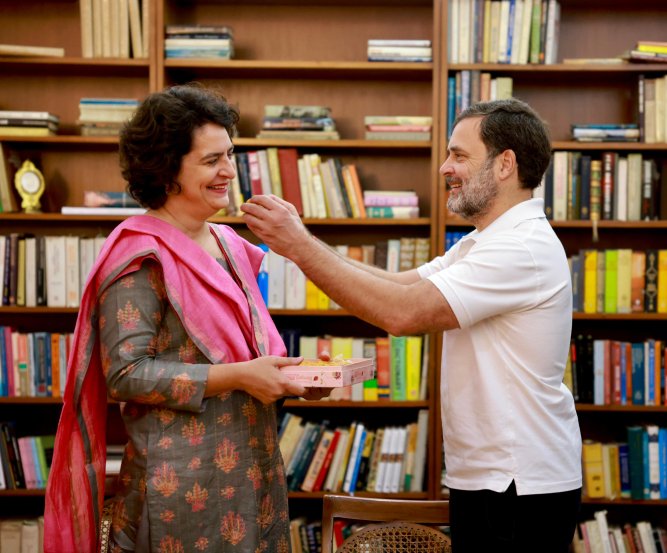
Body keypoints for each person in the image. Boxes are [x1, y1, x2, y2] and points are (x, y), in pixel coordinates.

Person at [241, 98, 582, 553]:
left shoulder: (520, 248)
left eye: (459, 155)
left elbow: (401, 312)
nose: (445, 167)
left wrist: (300, 247)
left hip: (519, 485)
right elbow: (392, 283)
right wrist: (303, 242)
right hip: (495, 478)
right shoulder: (486, 241)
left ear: (505, 165)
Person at [44, 83, 329, 553]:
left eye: (230, 155)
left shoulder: (231, 246)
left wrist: (288, 377)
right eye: (211, 161)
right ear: (166, 168)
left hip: (253, 473)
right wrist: (239, 376)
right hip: (178, 490)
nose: (228, 172)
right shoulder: (140, 255)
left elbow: (247, 354)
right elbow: (126, 374)